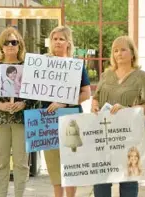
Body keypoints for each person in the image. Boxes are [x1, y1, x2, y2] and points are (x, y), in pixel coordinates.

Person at [91, 36, 145, 197]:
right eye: (115, 50)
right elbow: (96, 96)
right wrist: (94, 104)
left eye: (123, 49)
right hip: (105, 134)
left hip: (130, 135)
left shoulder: (142, 77)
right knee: (101, 180)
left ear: (132, 53)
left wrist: (126, 110)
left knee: (128, 181)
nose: (119, 53)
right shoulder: (106, 75)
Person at [0, 27, 35, 197]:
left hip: (21, 121)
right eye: (6, 42)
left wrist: (24, 104)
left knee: (21, 163)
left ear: (20, 45)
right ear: (1, 46)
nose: (10, 45)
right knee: (1, 163)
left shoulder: (28, 67)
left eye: (14, 42)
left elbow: (36, 93)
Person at [41, 26, 91, 197]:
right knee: (54, 167)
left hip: (72, 119)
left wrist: (64, 102)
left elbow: (86, 93)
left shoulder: (77, 66)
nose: (57, 42)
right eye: (54, 38)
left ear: (68, 42)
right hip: (48, 120)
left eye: (61, 39)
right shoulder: (42, 64)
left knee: (71, 164)